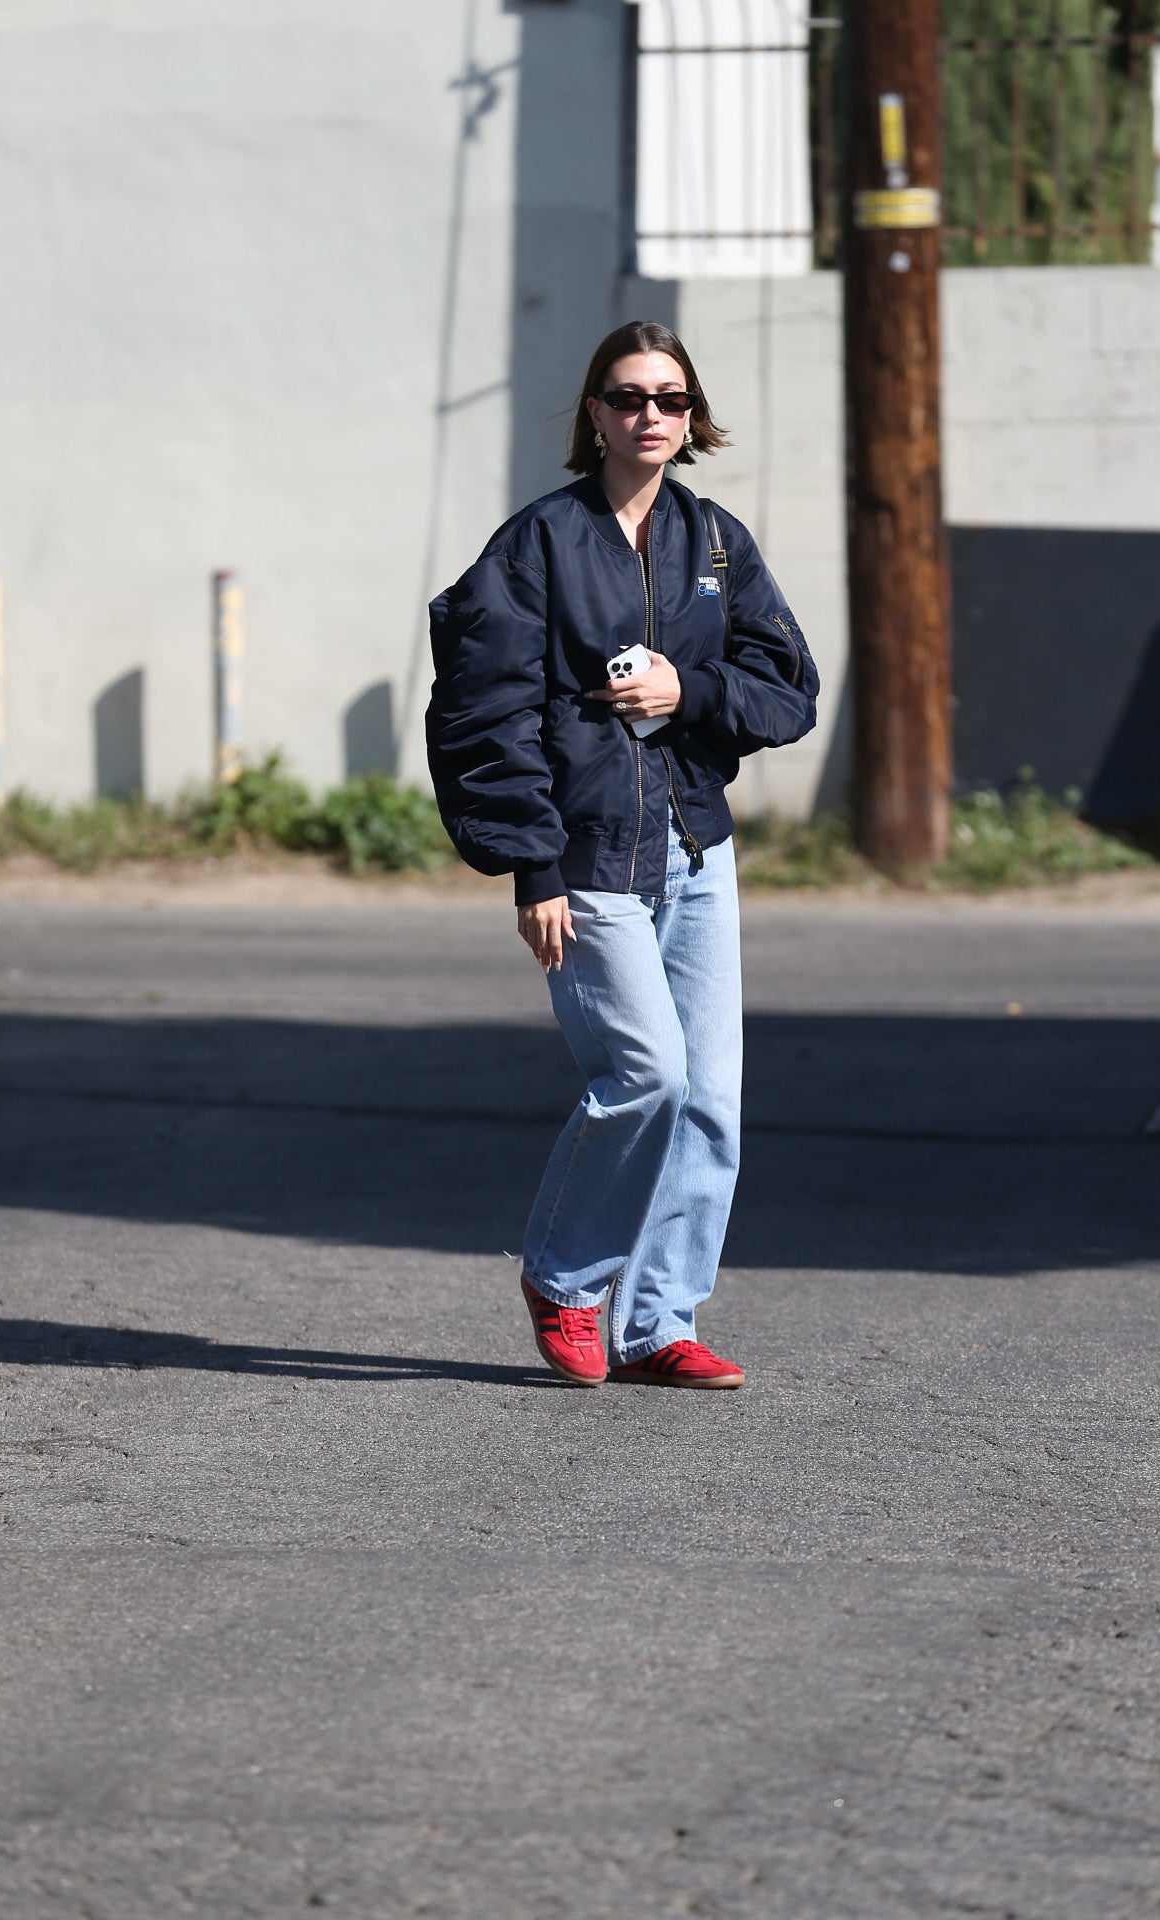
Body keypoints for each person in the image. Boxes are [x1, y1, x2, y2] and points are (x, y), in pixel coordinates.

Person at [426, 320, 817, 1389]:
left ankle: (657, 1324)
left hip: (697, 854)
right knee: (642, 1074)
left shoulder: (716, 543)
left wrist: (690, 692)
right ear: (593, 414)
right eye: (629, 396)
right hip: (588, 860)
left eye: (671, 400)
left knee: (710, 1102)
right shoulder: (537, 544)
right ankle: (563, 1278)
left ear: (692, 421)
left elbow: (789, 690)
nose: (651, 415)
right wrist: (530, 866)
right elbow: (480, 713)